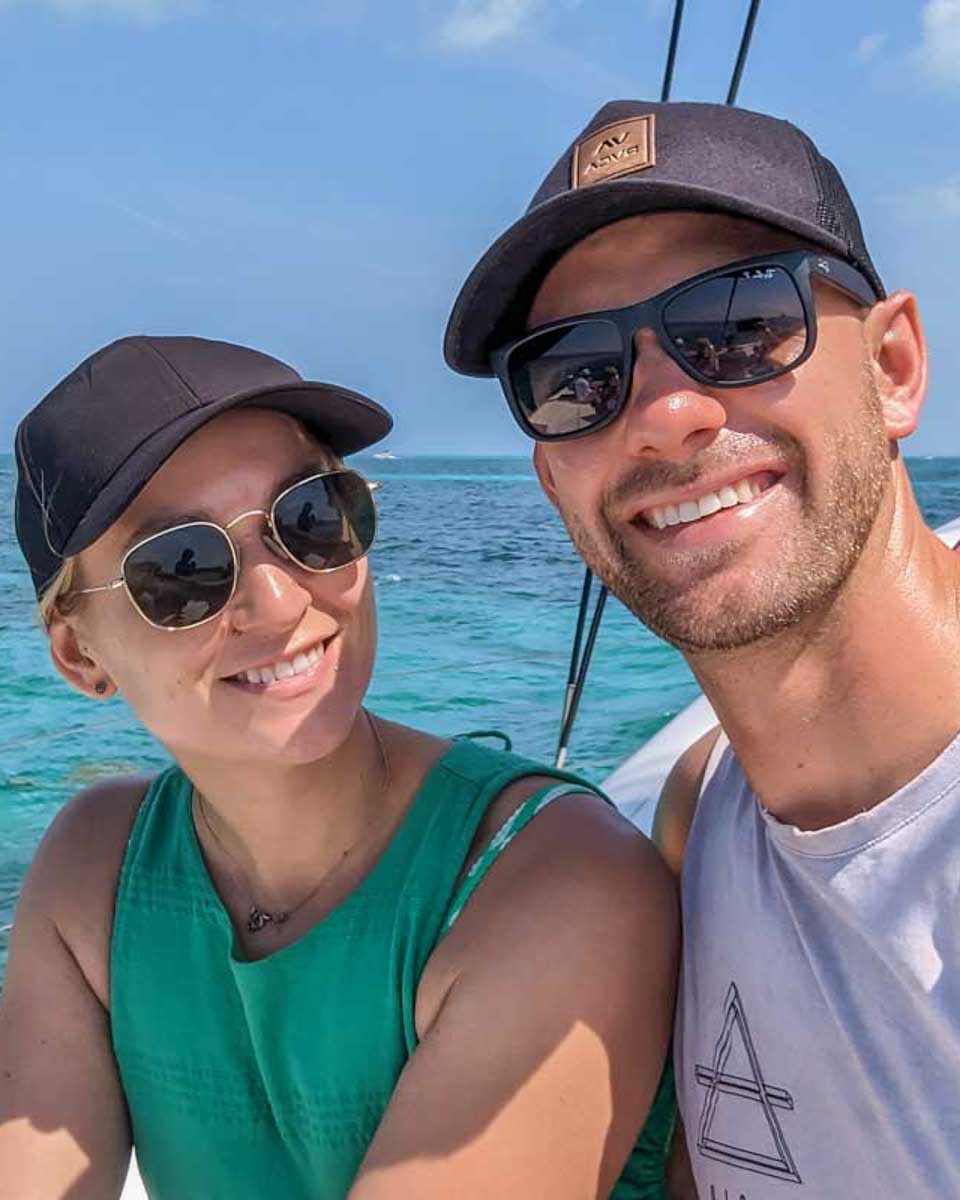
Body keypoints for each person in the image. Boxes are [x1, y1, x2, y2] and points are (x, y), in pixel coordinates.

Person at [0, 335, 678, 1198]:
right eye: (181, 569)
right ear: (78, 654)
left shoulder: (556, 881)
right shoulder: (93, 872)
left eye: (312, 518)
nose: (280, 601)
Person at [445, 99, 960, 1196]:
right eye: (574, 376)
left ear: (895, 367)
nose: (666, 413)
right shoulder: (703, 816)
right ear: (554, 484)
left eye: (739, 319)